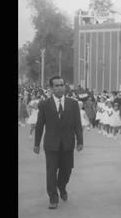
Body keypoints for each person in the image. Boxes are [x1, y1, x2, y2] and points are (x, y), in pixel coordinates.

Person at [33, 76, 84, 210]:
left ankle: (62, 186)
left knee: (66, 170)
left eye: (61, 85)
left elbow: (78, 124)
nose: (59, 88)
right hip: (51, 145)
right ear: (51, 88)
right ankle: (53, 197)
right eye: (56, 85)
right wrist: (36, 144)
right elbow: (39, 125)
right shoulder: (44, 104)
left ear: (65, 86)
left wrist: (80, 141)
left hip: (68, 143)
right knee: (51, 172)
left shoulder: (73, 104)